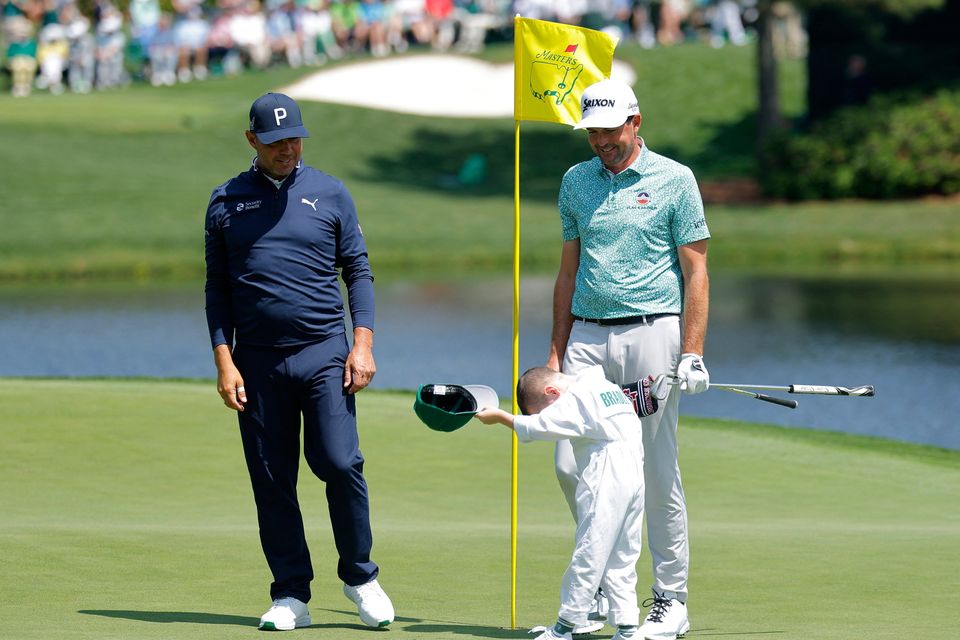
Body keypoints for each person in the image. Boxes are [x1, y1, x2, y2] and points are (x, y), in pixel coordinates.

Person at [204, 92, 394, 632]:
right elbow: (217, 288)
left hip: (323, 353)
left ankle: (360, 577)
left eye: (294, 138)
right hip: (257, 362)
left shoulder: (330, 192)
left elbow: (357, 270)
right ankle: (291, 595)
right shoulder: (226, 200)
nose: (287, 149)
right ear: (252, 141)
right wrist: (224, 360)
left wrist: (363, 344)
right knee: (272, 479)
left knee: (338, 462)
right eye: (275, 141)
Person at [546, 78, 710, 640]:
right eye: (592, 130)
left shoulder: (675, 180)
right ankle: (600, 589)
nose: (601, 140)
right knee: (572, 464)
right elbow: (567, 273)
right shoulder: (575, 181)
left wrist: (691, 352)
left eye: (610, 129)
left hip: (652, 336)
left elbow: (696, 273)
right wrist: (554, 353)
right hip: (587, 341)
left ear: (635, 122)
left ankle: (670, 597)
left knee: (652, 469)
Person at [475, 365, 646, 640]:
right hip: (634, 473)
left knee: (591, 550)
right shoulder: (606, 387)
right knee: (622, 553)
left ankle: (564, 627)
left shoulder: (577, 397)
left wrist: (501, 417)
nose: (550, 415)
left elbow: (541, 426)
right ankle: (627, 628)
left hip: (607, 473)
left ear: (552, 392)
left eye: (545, 408)